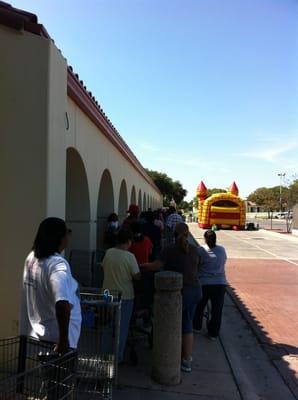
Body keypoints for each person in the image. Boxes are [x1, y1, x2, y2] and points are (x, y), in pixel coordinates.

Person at [141, 223, 202, 373]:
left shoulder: (170, 249)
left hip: (183, 292)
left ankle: (172, 356)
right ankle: (186, 360)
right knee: (187, 323)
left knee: (172, 323)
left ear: (174, 234)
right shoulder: (195, 249)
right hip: (196, 290)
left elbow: (156, 265)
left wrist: (143, 266)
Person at [20, 218, 81, 353]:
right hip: (59, 341)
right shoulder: (57, 264)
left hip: (41, 334)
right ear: (59, 237)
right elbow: (62, 304)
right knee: (60, 373)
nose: (68, 236)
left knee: (48, 372)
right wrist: (63, 342)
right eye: (67, 232)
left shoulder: (31, 258)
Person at [102, 229, 141, 362]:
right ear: (129, 241)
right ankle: (117, 358)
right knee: (121, 327)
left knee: (107, 326)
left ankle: (104, 354)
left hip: (107, 294)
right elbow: (137, 276)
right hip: (124, 296)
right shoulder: (129, 257)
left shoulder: (108, 252)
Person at [193, 230, 227, 340]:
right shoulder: (222, 250)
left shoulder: (200, 250)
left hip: (204, 283)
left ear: (205, 239)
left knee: (199, 306)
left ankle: (197, 327)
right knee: (217, 310)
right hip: (220, 283)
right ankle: (213, 333)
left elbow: (196, 265)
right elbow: (223, 262)